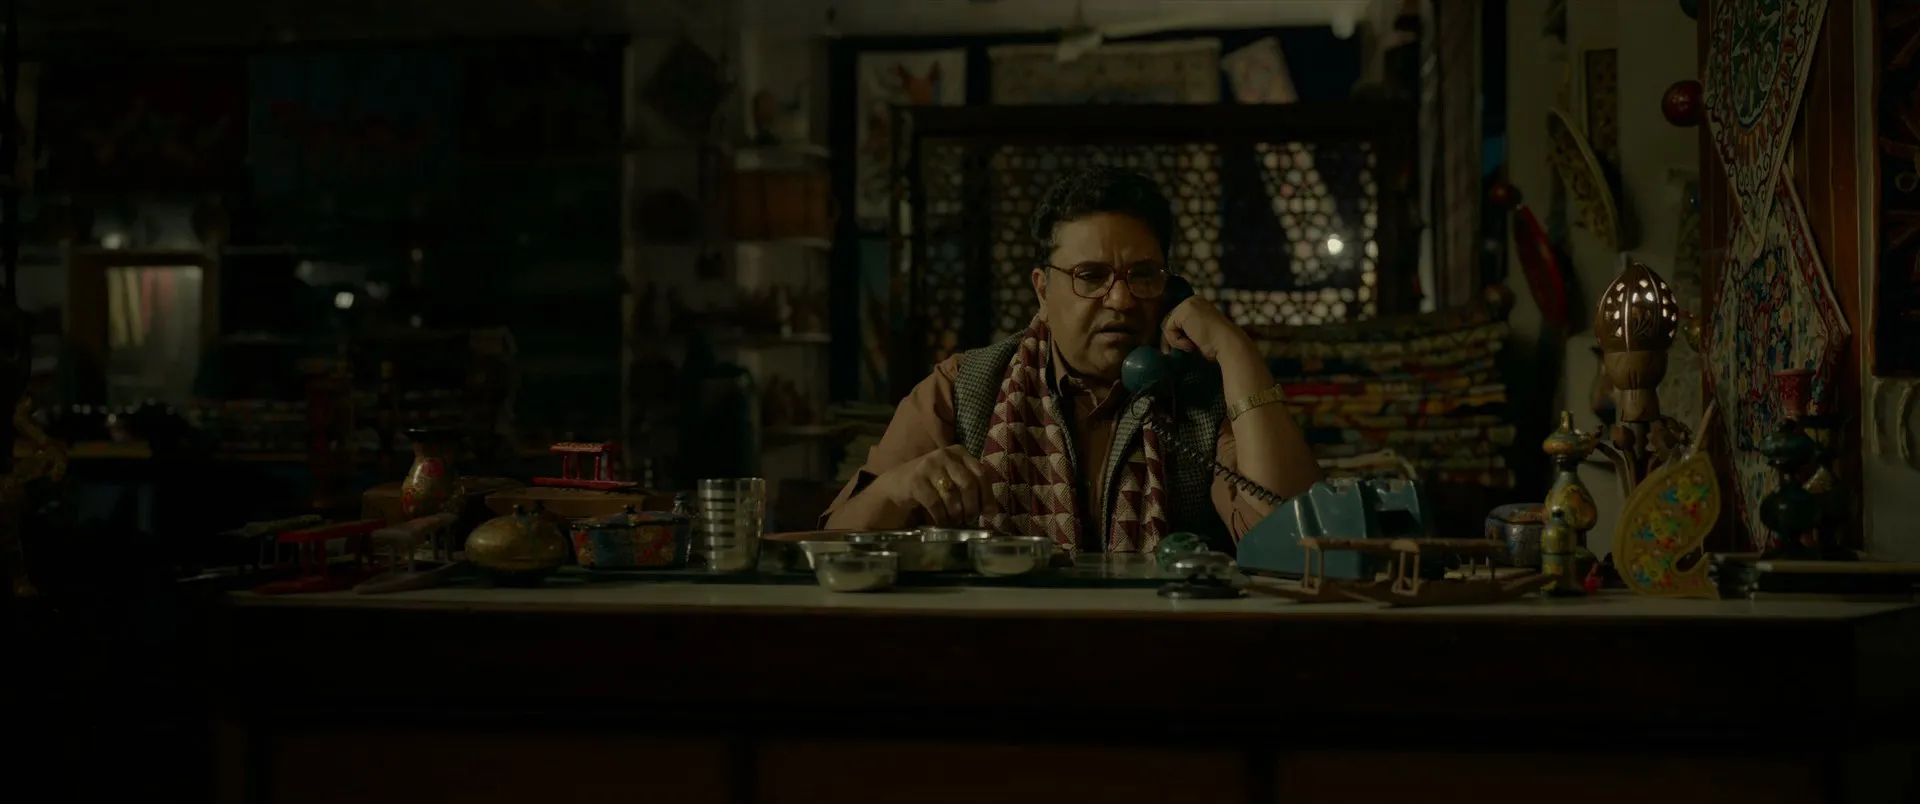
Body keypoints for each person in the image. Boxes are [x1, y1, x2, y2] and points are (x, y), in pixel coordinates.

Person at [822, 165, 1322, 553]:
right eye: (1091, 276)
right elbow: (833, 545)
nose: (1121, 300)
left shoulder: (1204, 394)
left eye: (1143, 276)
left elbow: (1299, 543)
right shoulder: (963, 388)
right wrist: (894, 490)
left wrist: (1235, 351)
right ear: (1043, 290)